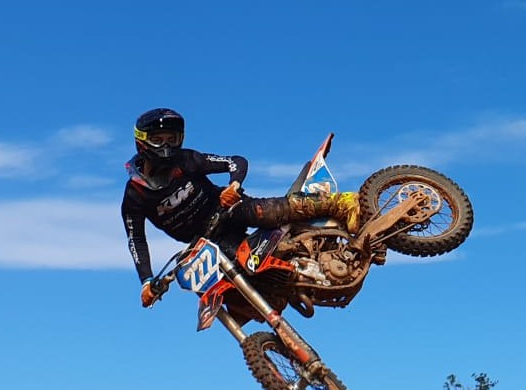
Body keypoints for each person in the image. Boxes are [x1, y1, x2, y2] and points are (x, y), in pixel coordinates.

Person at [121, 107, 362, 308]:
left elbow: (235, 162)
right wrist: (147, 281)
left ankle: (341, 203)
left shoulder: (187, 160)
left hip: (227, 210)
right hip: (207, 241)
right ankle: (292, 281)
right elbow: (136, 240)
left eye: (171, 139)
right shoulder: (135, 196)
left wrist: (234, 185)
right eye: (158, 140)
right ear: (142, 142)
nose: (165, 147)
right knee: (245, 276)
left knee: (266, 212)